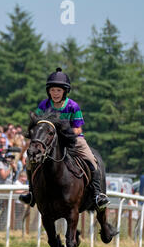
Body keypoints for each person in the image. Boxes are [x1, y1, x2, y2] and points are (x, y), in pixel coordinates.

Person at [19, 67, 110, 211]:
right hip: (49, 142)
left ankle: (98, 195)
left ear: (64, 92)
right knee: (30, 160)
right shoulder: (44, 105)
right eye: (53, 90)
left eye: (59, 91)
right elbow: (38, 123)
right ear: (49, 90)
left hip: (73, 140)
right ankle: (31, 193)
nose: (55, 93)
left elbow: (78, 128)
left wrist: (61, 133)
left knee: (92, 160)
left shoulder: (73, 106)